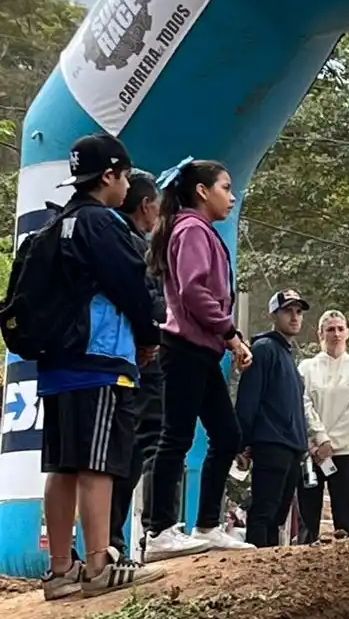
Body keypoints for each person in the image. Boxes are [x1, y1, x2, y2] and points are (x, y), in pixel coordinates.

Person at [37, 133, 166, 599]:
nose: (127, 185)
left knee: (62, 465)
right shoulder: (103, 223)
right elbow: (132, 287)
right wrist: (149, 338)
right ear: (109, 176)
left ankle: (59, 571)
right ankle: (97, 566)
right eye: (125, 176)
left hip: (56, 364)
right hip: (100, 359)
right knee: (97, 465)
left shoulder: (58, 223)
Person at [143, 159, 256, 560]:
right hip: (185, 349)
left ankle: (207, 525)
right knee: (175, 436)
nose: (232, 195)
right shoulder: (191, 229)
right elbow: (193, 291)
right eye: (226, 187)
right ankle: (158, 531)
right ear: (202, 191)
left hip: (203, 351)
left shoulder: (200, 230)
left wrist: (225, 337)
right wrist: (230, 334)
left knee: (226, 434)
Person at [108, 170, 168, 558]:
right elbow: (146, 302)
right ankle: (133, 537)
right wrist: (153, 335)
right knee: (139, 447)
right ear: (147, 206)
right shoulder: (133, 247)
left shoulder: (117, 241)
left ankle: (113, 542)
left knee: (128, 450)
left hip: (124, 360)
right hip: (135, 362)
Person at [235, 290, 312, 547]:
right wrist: (241, 444)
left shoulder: (287, 355)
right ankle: (253, 571)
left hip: (292, 448)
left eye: (299, 311)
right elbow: (248, 398)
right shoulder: (264, 349)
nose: (294, 317)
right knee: (263, 512)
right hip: (270, 444)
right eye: (288, 310)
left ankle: (268, 566)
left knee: (277, 516)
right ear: (273, 315)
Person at [297, 309, 349, 542]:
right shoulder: (306, 367)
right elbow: (303, 403)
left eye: (340, 328)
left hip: (345, 450)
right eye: (330, 329)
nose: (336, 334)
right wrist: (319, 439)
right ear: (320, 334)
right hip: (312, 452)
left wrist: (333, 443)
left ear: (348, 333)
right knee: (307, 519)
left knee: (348, 520)